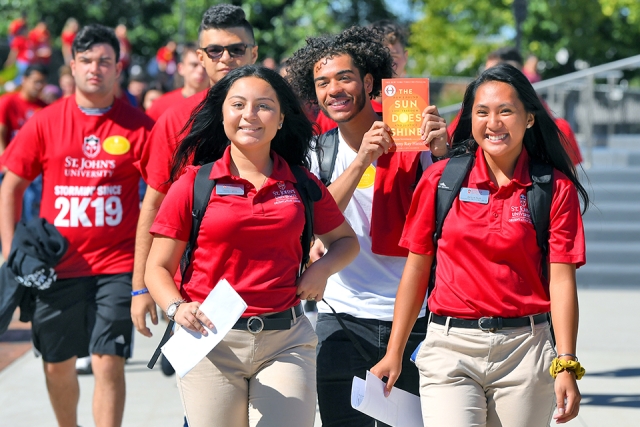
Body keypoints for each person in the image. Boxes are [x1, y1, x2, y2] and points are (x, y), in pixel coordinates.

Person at [371, 63, 588, 426]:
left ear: (529, 119)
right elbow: (416, 269)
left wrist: (566, 362)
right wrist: (395, 351)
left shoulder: (554, 188)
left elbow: (562, 280)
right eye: (482, 112)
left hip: (526, 350)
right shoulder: (441, 179)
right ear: (469, 119)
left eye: (506, 111)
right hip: (448, 348)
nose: (494, 122)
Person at [144, 65, 359, 427]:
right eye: (238, 104)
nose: (249, 115)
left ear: (279, 120)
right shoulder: (194, 184)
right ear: (223, 114)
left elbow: (346, 243)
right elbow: (157, 268)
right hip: (209, 340)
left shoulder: (301, 183)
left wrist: (321, 270)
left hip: (286, 340)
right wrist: (176, 307)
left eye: (264, 106)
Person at [286, 26, 449, 426]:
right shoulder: (316, 152)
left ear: (369, 81)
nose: (333, 90)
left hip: (416, 319)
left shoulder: (415, 140)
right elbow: (315, 223)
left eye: (344, 77)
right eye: (322, 82)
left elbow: (447, 213)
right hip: (341, 318)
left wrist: (443, 152)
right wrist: (361, 159)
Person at [0, 24, 154, 427]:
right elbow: (11, 187)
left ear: (118, 68)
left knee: (108, 362)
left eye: (105, 61)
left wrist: (151, 268)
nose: (95, 69)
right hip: (56, 268)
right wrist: (12, 254)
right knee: (57, 365)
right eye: (86, 61)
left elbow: (162, 194)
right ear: (72, 66)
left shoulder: (140, 127)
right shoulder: (45, 122)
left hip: (118, 266)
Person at [131, 3, 258, 339]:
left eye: (236, 49)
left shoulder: (276, 112)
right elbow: (154, 205)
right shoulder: (176, 120)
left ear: (253, 53)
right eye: (214, 50)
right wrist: (140, 287)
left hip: (269, 289)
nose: (225, 58)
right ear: (201, 58)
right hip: (197, 296)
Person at [448, 47, 583, 165]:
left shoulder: (560, 129)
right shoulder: (471, 118)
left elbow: (567, 178)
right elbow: (450, 145)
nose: (492, 123)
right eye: (482, 112)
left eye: (497, 75)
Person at [314, 20, 410, 135]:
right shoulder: (341, 106)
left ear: (406, 57)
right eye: (381, 56)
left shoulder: (414, 107)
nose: (388, 62)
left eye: (394, 56)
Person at [145, 42, 208, 121]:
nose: (200, 71)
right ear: (181, 68)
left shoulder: (221, 105)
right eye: (194, 65)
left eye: (205, 66)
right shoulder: (160, 106)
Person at [0, 64, 48, 155]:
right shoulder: (7, 102)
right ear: (24, 80)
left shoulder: (45, 107)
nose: (39, 86)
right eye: (36, 82)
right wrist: (3, 162)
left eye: (42, 82)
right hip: (8, 161)